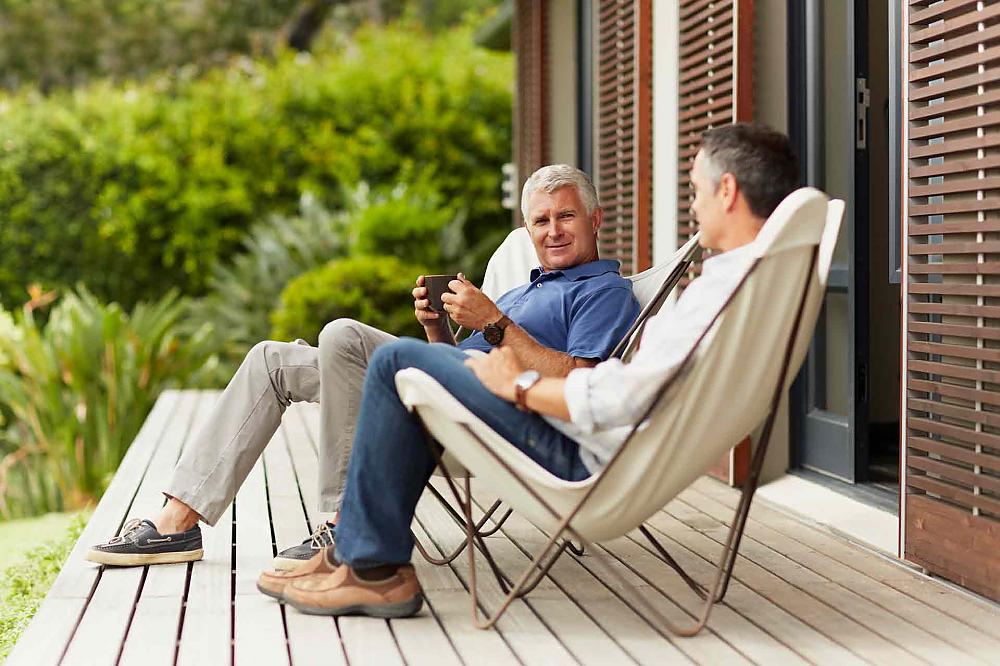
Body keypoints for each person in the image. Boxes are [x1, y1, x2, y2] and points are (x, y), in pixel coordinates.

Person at [259, 123, 800, 618]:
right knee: (383, 358)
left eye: (697, 190)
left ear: (726, 192)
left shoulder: (705, 298)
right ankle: (362, 555)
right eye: (541, 220)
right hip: (565, 427)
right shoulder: (737, 290)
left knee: (393, 362)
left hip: (575, 452)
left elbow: (618, 394)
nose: (693, 204)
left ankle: (368, 564)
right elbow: (633, 388)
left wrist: (517, 384)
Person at [87, 164, 640, 568]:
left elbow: (580, 381)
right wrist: (435, 329)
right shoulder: (527, 287)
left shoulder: (604, 292)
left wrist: (494, 322)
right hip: (448, 386)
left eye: (566, 216)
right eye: (540, 221)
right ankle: (177, 522)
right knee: (271, 361)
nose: (553, 231)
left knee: (342, 336)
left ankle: (341, 522)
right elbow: (469, 351)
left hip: (502, 414)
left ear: (594, 218)